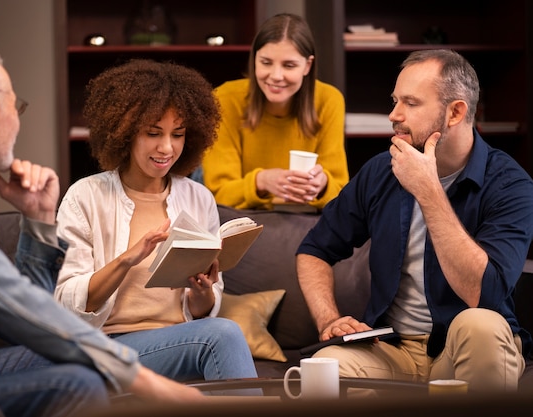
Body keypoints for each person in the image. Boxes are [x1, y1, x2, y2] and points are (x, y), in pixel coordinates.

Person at [0, 39, 207, 417]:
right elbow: (12, 302)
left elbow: (25, 311)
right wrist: (143, 380)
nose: (18, 119)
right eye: (16, 106)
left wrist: (38, 219)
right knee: (81, 381)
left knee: (81, 370)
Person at [296, 49, 533, 392]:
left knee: (480, 325)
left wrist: (429, 191)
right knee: (324, 369)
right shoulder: (381, 171)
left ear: (455, 112)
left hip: (464, 345)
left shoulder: (510, 184)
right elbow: (313, 249)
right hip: (391, 351)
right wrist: (329, 319)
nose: (393, 114)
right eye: (395, 101)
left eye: (410, 103)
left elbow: (483, 294)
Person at [54, 59, 259, 383]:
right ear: (123, 132)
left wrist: (202, 291)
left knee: (218, 333)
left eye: (178, 135)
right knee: (223, 335)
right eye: (153, 133)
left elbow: (205, 311)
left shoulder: (197, 197)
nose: (167, 148)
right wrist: (127, 260)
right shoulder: (86, 197)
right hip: (107, 347)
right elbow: (67, 303)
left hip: (180, 343)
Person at [200, 13, 349, 210]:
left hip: (308, 220)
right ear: (254, 60)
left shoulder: (329, 100)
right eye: (266, 62)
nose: (276, 76)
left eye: (289, 65)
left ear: (308, 65)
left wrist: (322, 185)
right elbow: (218, 194)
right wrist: (262, 181)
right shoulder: (225, 99)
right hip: (244, 219)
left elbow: (341, 194)